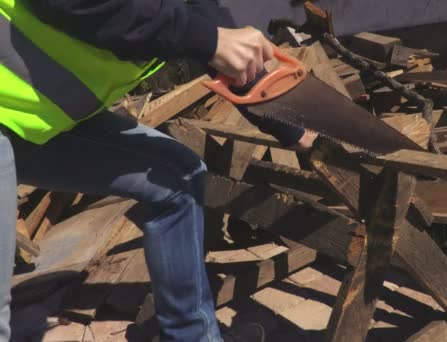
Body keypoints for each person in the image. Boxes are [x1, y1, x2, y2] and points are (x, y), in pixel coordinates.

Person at [0, 0, 314, 341]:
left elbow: (200, 13)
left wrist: (291, 127)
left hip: (22, 114)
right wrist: (208, 40)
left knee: (175, 176)